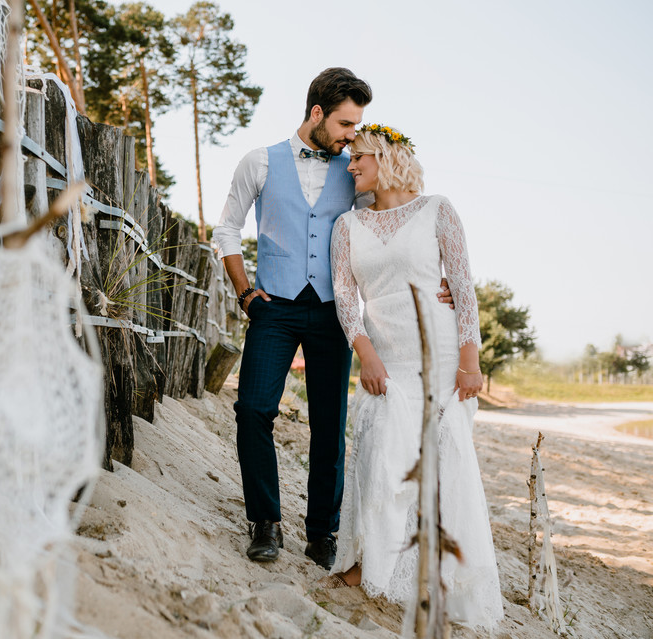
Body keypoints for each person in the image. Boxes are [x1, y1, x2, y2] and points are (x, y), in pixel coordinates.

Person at [211, 68, 452, 569]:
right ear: (316, 113)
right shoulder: (258, 162)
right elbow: (228, 229)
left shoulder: (354, 174)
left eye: (356, 125)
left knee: (329, 426)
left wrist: (437, 277)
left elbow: (393, 222)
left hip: (334, 314)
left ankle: (323, 532)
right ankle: (266, 522)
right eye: (345, 123)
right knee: (253, 410)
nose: (350, 135)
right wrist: (244, 292)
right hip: (272, 308)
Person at [327, 123, 504, 628]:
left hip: (443, 356)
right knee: (380, 451)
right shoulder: (347, 226)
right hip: (386, 357)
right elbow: (346, 296)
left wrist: (471, 363)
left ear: (384, 156)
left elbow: (463, 287)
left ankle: (438, 576)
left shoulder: (437, 210)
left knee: (445, 463)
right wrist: (364, 352)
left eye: (358, 156)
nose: (351, 165)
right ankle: (367, 563)